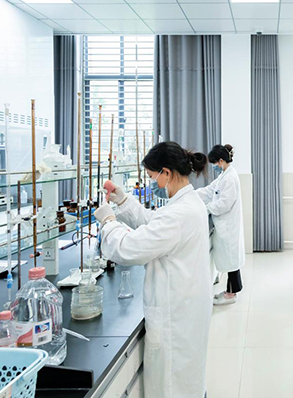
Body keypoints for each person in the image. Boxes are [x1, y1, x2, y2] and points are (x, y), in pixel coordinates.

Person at [94, 141, 213, 398]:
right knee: (187, 378)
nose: (152, 182)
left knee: (172, 384)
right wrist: (123, 201)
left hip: (175, 314)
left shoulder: (178, 214)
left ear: (166, 172)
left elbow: (128, 248)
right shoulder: (188, 203)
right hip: (187, 307)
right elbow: (153, 223)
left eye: (152, 176)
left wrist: (108, 221)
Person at [196, 144, 246, 306]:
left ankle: (231, 294)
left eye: (215, 163)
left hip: (228, 226)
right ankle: (230, 291)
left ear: (221, 161)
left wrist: (207, 208)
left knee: (231, 262)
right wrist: (190, 195)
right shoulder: (224, 175)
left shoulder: (230, 178)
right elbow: (210, 190)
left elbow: (225, 203)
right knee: (231, 261)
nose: (214, 166)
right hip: (224, 225)